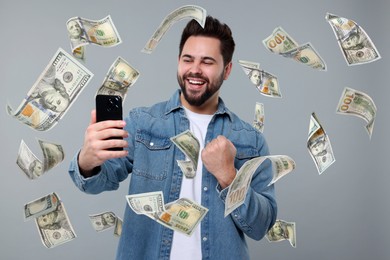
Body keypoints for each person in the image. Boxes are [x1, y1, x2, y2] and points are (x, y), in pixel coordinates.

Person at [69, 15, 277, 260]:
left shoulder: (249, 140)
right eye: (188, 59)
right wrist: (87, 161)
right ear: (179, 61)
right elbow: (98, 183)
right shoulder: (143, 123)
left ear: (227, 69)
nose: (195, 69)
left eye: (207, 61)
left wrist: (229, 177)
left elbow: (262, 225)